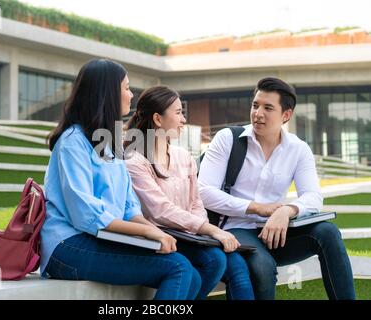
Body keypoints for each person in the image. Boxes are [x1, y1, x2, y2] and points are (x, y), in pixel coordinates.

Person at [40, 59, 202, 300]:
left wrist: (155, 231)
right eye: (126, 88)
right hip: (66, 247)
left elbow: (128, 207)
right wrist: (148, 234)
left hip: (99, 238)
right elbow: (86, 214)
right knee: (177, 268)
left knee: (193, 274)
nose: (131, 94)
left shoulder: (108, 142)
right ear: (107, 93)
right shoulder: (72, 142)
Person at [198, 77, 355, 300]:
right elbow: (204, 191)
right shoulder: (228, 139)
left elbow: (313, 196)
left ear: (286, 115)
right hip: (235, 228)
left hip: (278, 232)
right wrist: (257, 208)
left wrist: (286, 211)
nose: (258, 113)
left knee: (328, 232)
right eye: (255, 105)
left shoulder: (298, 149)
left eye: (267, 108)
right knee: (262, 266)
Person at [124, 85, 255, 300]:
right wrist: (211, 231)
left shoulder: (183, 156)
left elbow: (196, 203)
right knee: (212, 261)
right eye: (178, 113)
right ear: (158, 119)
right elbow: (160, 211)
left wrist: (202, 233)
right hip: (158, 237)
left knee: (228, 263)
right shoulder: (134, 161)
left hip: (188, 236)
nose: (183, 119)